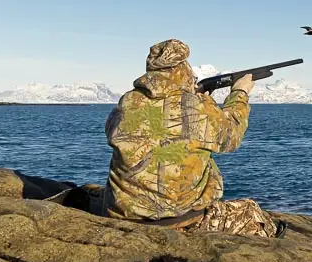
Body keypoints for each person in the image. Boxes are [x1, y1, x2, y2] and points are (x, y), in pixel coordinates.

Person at [100, 38, 283, 237]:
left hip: (122, 215)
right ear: (183, 69)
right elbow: (231, 137)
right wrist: (240, 92)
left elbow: (117, 131)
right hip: (181, 219)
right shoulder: (198, 106)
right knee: (252, 214)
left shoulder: (128, 101)